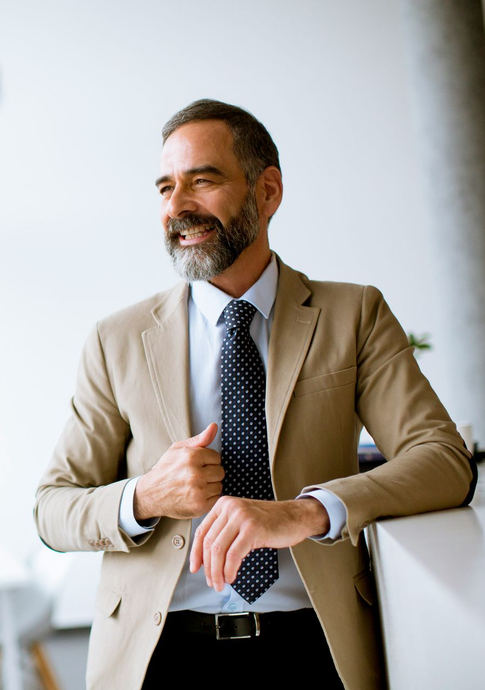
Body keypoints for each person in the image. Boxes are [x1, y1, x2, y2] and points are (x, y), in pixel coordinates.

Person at [33, 99, 476, 690]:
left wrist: (306, 511)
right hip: (159, 657)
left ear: (267, 191)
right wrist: (145, 496)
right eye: (166, 187)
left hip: (316, 648)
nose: (178, 206)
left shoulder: (354, 314)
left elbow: (444, 460)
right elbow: (52, 508)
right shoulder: (117, 340)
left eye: (203, 180)